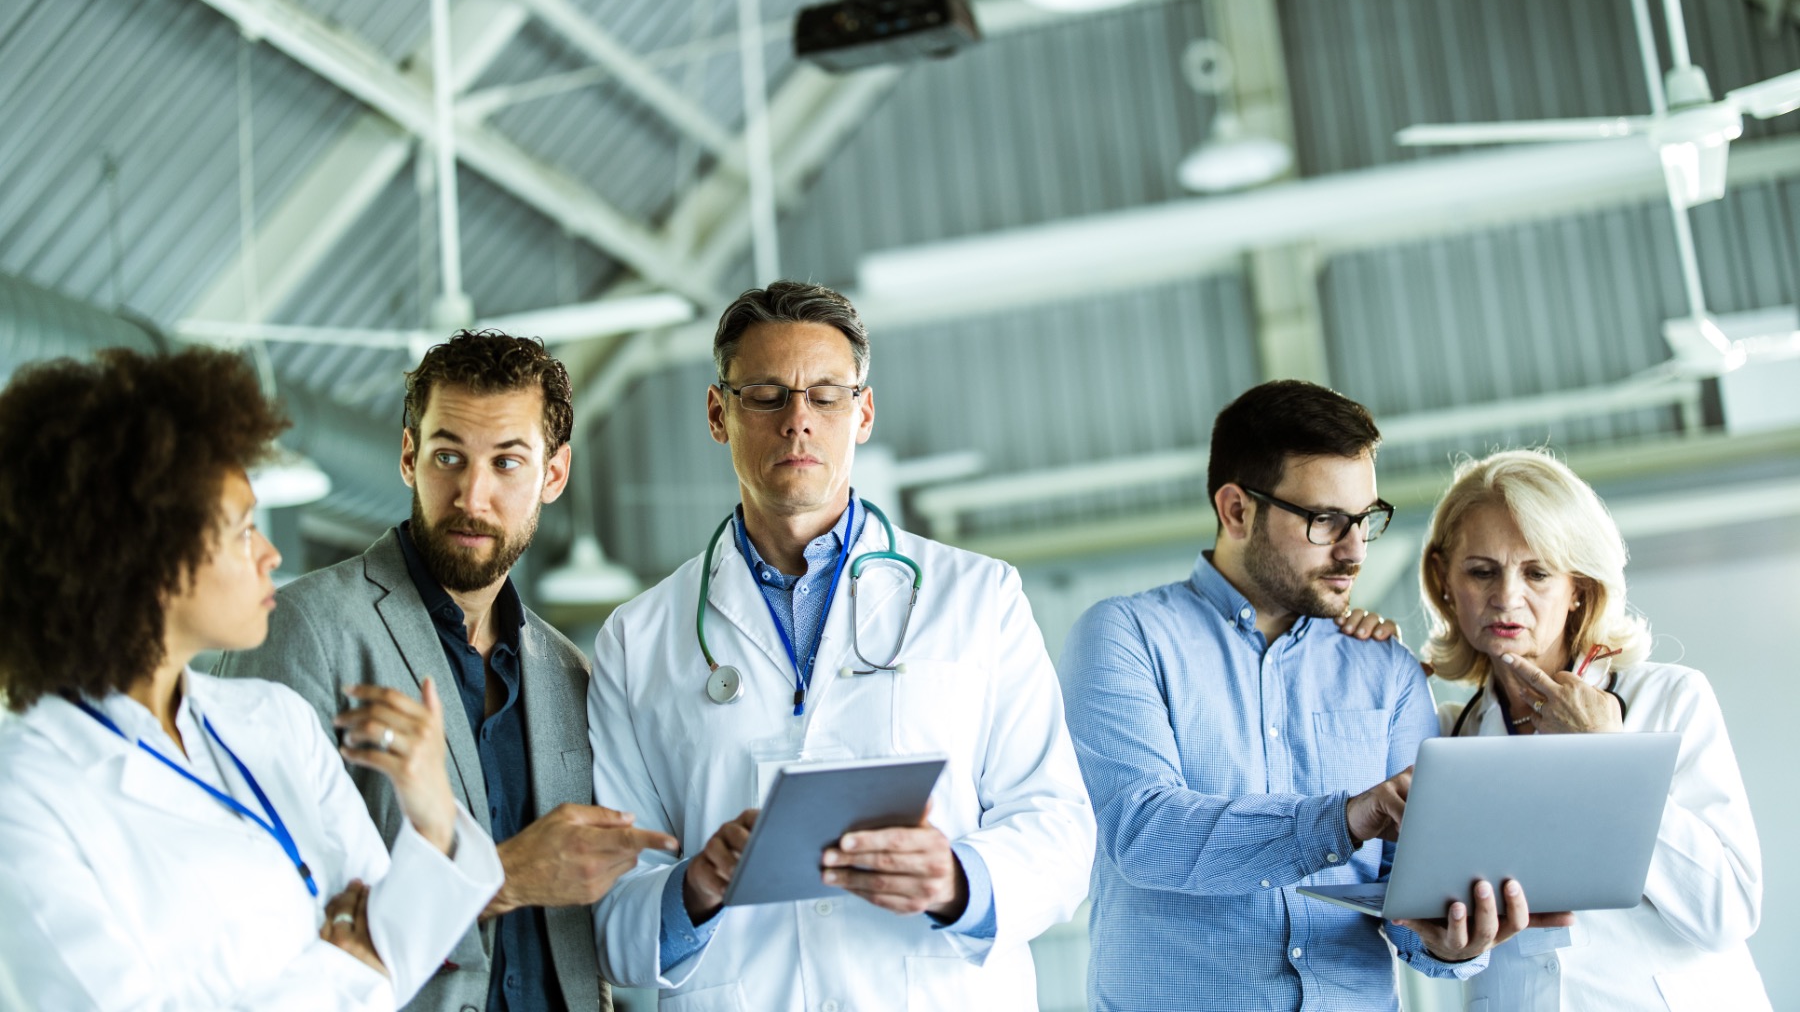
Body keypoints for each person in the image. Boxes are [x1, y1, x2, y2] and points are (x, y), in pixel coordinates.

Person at [586, 281, 1095, 1009]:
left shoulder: (979, 599)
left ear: (863, 413)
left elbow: (1060, 833)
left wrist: (958, 881)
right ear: (716, 412)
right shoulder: (638, 642)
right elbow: (609, 915)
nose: (798, 420)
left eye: (826, 395)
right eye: (765, 395)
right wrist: (692, 887)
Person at [0, 346, 502, 1010]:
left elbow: (403, 941)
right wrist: (345, 959)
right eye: (242, 532)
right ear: (144, 560)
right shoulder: (26, 792)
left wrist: (432, 816)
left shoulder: (274, 719)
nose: (272, 553)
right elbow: (378, 959)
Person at [1058, 380, 1567, 1011]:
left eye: (1364, 520)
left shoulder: (1386, 670)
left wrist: (1452, 945)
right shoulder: (1126, 636)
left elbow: (1411, 901)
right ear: (1237, 510)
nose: (1354, 551)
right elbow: (1143, 833)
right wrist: (1348, 818)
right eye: (1326, 521)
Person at [218, 331, 674, 1012]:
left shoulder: (572, 674)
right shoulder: (301, 627)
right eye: (448, 456)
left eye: (508, 463)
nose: (471, 495)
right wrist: (509, 874)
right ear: (410, 456)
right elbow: (253, 902)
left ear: (554, 474)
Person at [1423, 449, 1770, 1011]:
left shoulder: (1670, 700)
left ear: (1579, 587)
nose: (1506, 597)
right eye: (1481, 571)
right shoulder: (1446, 737)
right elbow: (1437, 930)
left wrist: (1607, 757)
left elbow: (1726, 912)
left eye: (1537, 573)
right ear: (1444, 579)